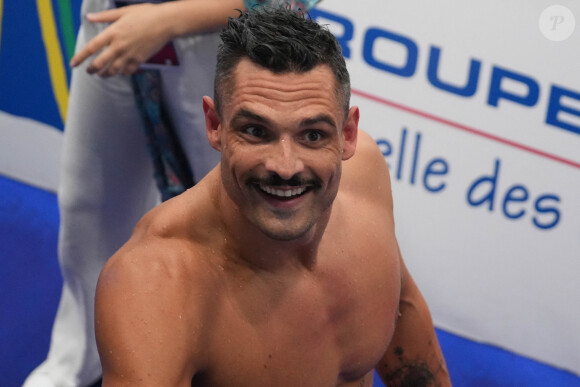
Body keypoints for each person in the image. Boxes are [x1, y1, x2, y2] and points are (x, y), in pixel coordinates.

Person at [94, 7, 451, 387]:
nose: (285, 166)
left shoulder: (364, 178)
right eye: (256, 131)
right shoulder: (156, 287)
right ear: (215, 126)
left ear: (347, 135)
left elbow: (406, 339)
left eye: (312, 135)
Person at [24, 1, 247, 386]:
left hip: (224, 43)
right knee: (86, 206)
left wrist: (166, 20)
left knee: (233, 226)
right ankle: (77, 358)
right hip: (112, 22)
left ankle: (230, 365)